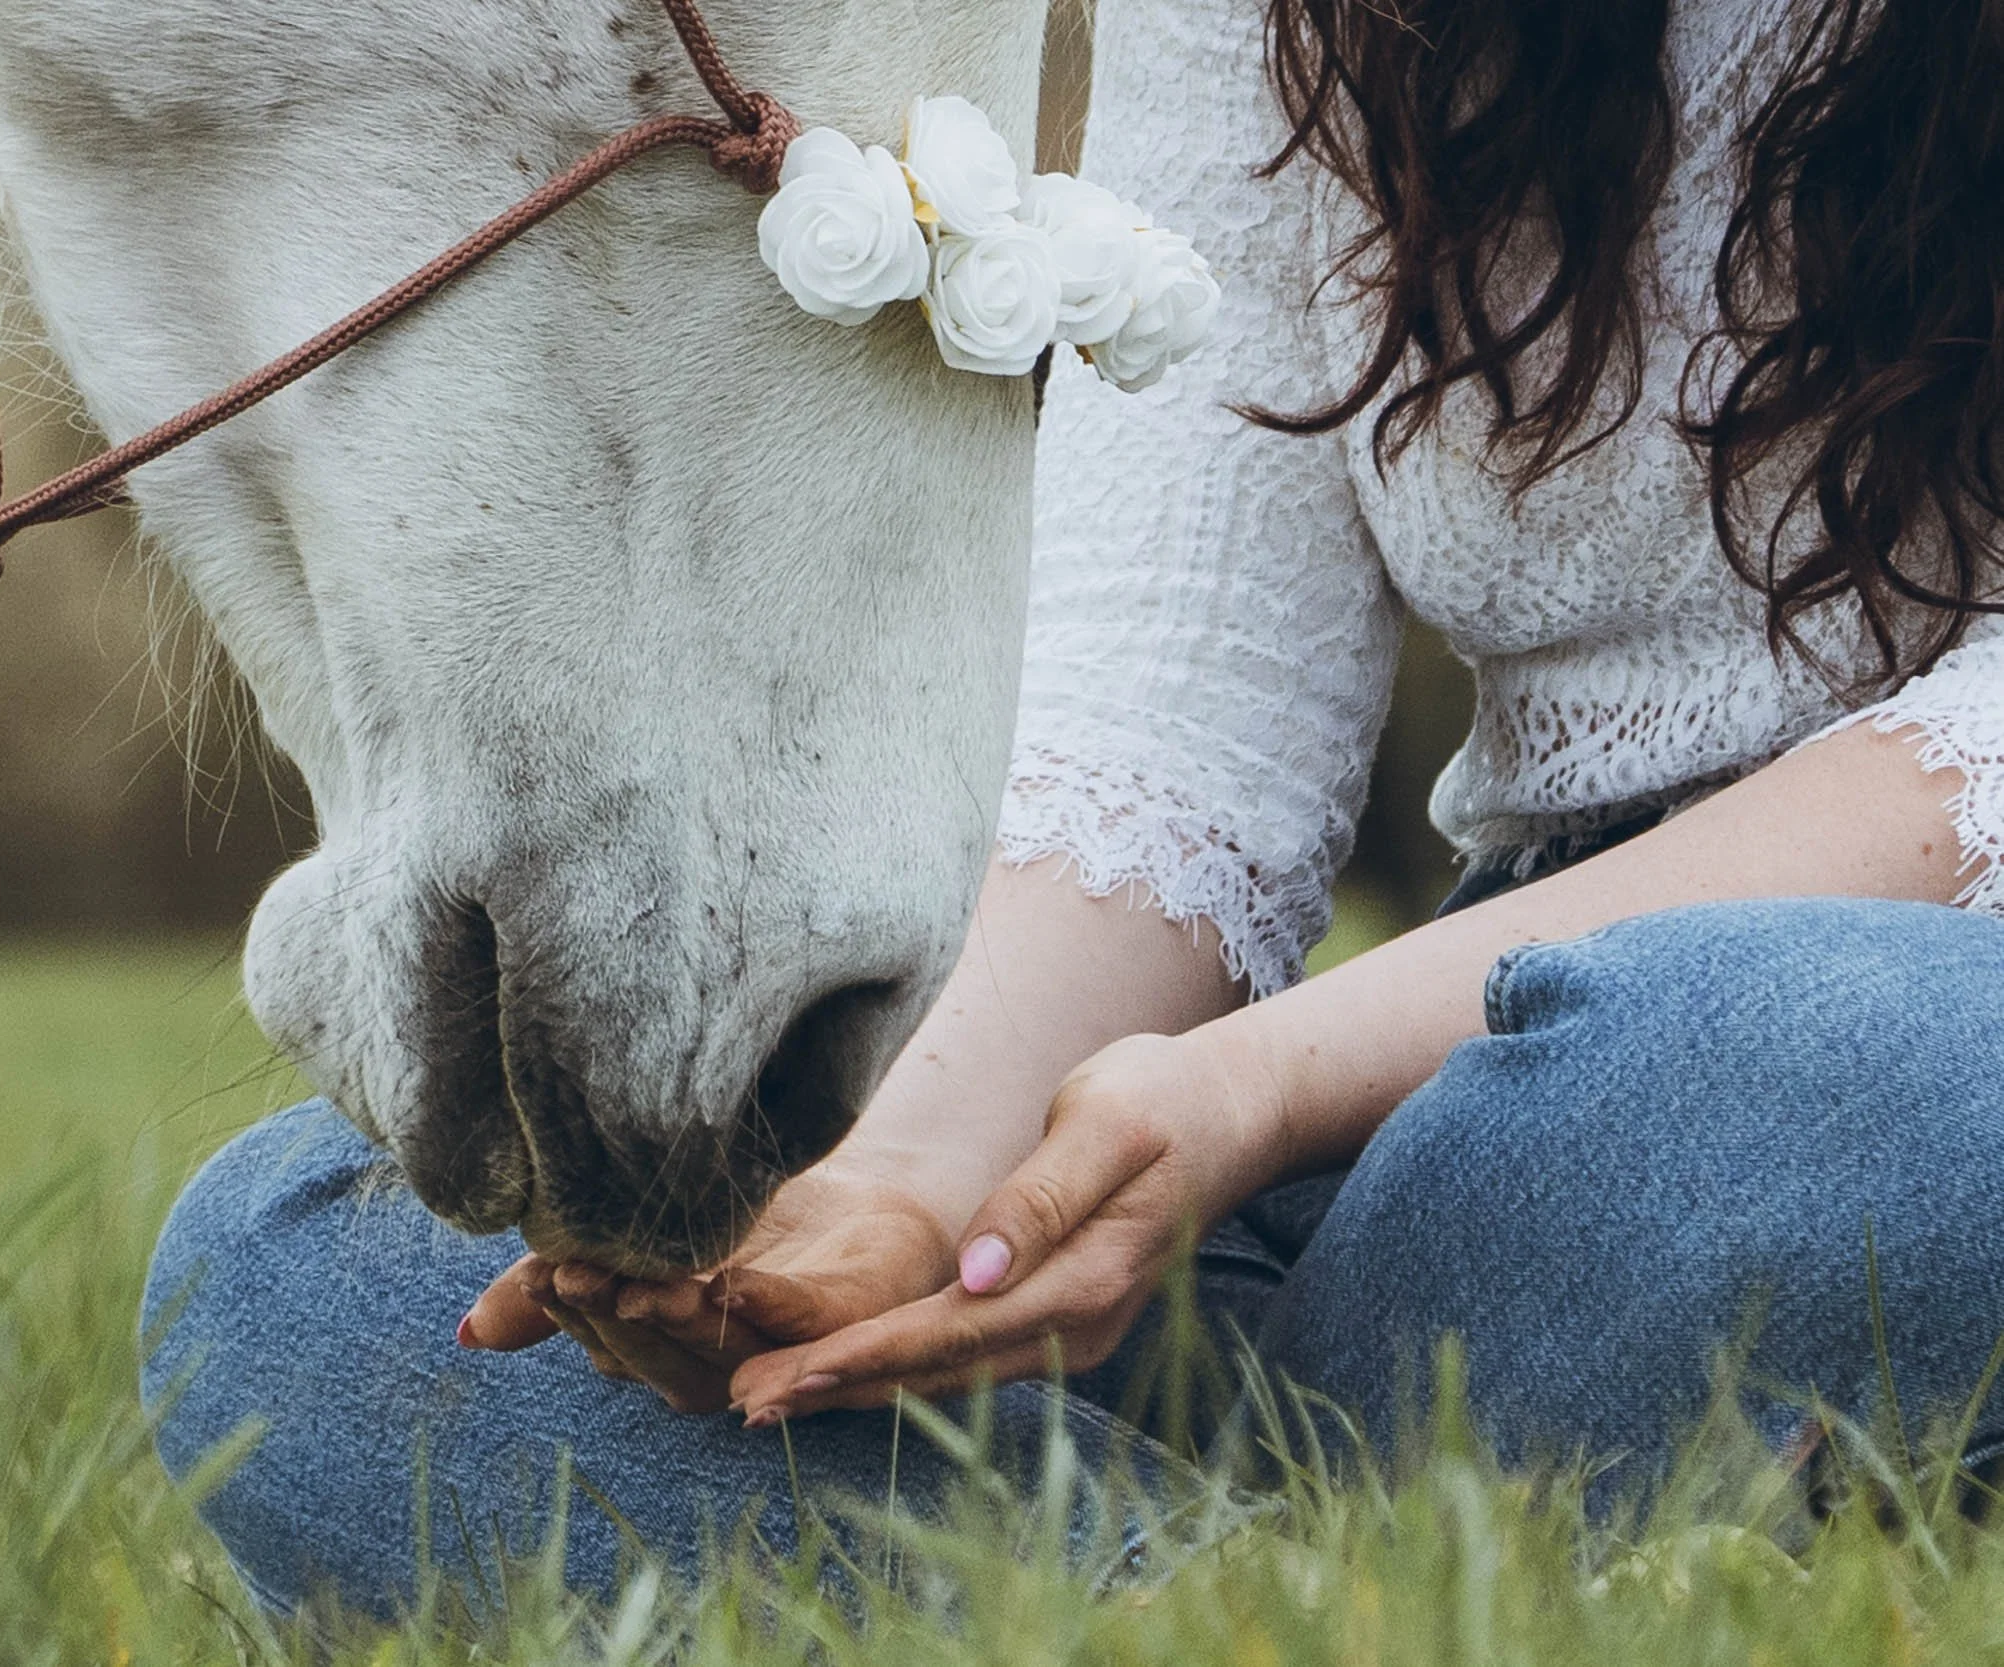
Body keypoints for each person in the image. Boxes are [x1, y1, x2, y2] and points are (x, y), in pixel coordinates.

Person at [142, 0, 2004, 1617]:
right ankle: (1229, 1595)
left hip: (1830, 1024)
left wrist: (1257, 1089)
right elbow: (1183, 721)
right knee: (295, 1264)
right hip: (1474, 1104)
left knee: (1883, 1074)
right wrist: (919, 1186)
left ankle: (1059, 1557)